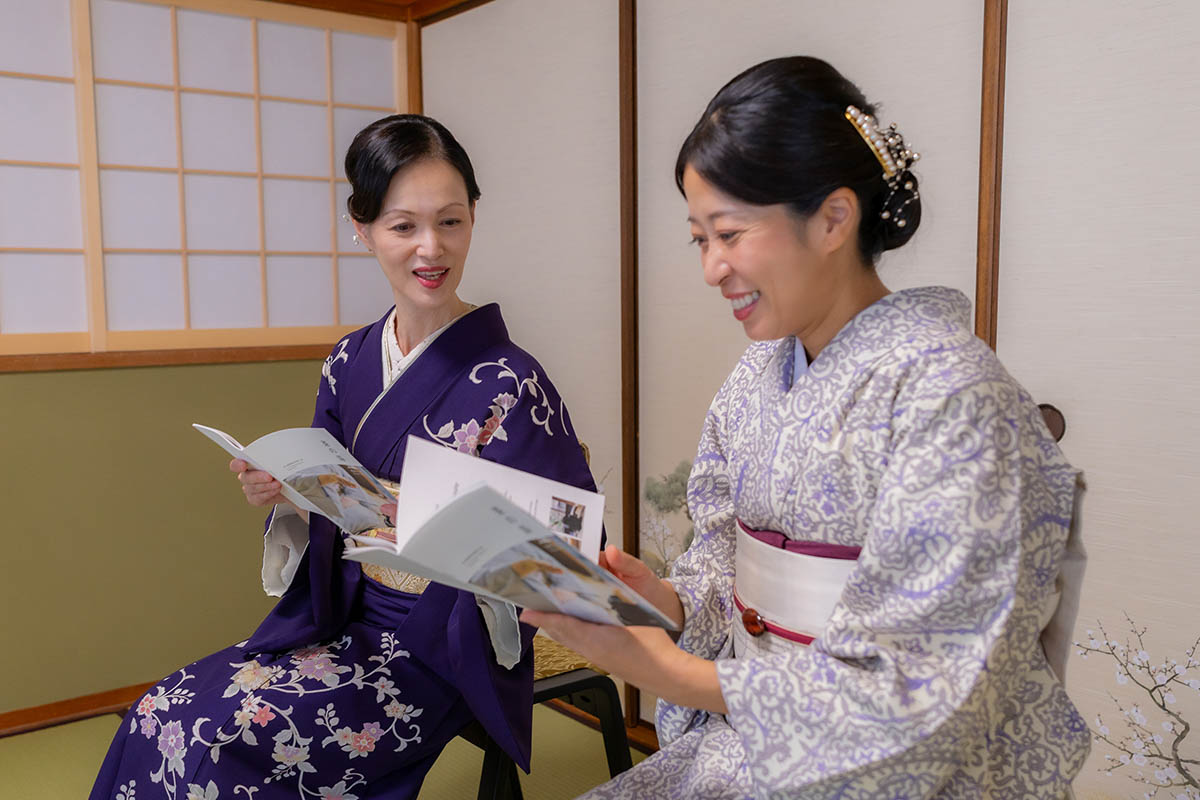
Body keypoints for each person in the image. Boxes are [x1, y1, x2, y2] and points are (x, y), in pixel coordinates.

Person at [524, 56, 1089, 798]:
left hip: (899, 775)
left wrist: (670, 675)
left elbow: (928, 688)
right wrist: (669, 603)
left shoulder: (957, 397)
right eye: (699, 238)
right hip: (749, 742)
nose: (711, 268)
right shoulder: (756, 374)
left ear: (832, 218)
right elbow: (725, 562)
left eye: (728, 233)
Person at [91, 115, 595, 799]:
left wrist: (445, 539)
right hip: (343, 617)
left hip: (443, 641)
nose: (430, 248)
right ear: (361, 227)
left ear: (474, 216)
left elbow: (571, 555)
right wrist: (287, 493)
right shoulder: (349, 360)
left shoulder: (510, 380)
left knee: (222, 747)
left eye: (450, 222)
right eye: (402, 226)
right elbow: (334, 501)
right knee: (161, 712)